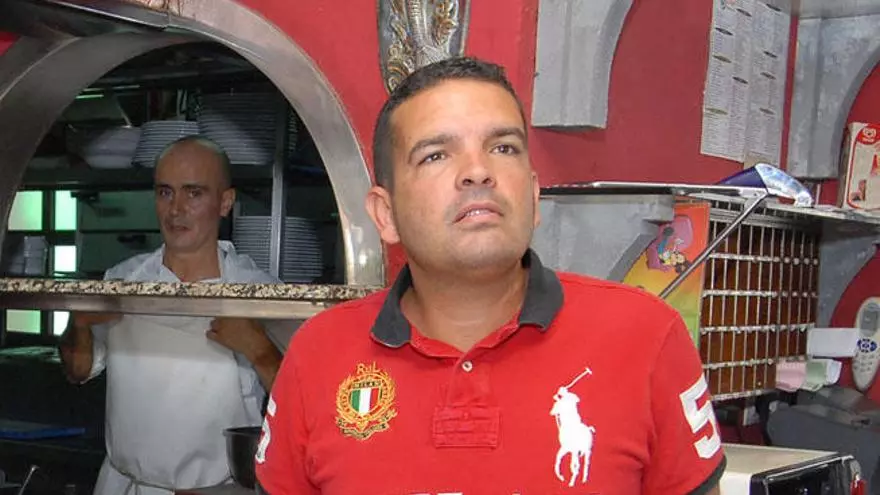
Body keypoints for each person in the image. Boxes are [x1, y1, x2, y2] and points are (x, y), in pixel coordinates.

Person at [254, 57, 726, 494]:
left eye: (503, 147)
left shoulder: (646, 337)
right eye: (436, 155)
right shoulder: (318, 355)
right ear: (386, 214)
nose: (478, 171)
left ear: (534, 196)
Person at [59, 136, 294, 495]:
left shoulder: (259, 292)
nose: (175, 209)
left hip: (216, 491)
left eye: (194, 193)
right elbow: (77, 371)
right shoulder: (122, 281)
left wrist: (260, 350)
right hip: (125, 486)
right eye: (165, 192)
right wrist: (78, 325)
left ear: (225, 202)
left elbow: (303, 409)